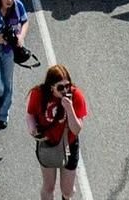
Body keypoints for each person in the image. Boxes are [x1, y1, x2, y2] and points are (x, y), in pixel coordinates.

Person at [26, 62, 87, 200]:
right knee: (48, 187)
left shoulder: (76, 96)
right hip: (47, 145)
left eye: (68, 85)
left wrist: (70, 109)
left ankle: (68, 194)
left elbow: (76, 130)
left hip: (68, 145)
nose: (65, 90)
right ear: (51, 87)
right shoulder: (38, 94)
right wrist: (32, 128)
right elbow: (30, 114)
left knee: (67, 191)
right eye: (61, 87)